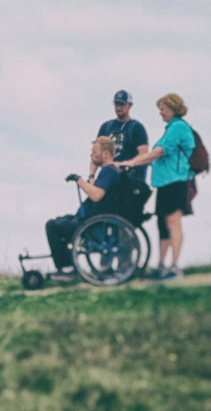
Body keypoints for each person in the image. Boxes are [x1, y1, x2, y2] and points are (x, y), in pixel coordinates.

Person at [116, 94, 195, 280]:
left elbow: (159, 152)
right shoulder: (170, 129)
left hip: (177, 182)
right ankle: (161, 266)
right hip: (164, 183)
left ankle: (174, 268)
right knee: (162, 225)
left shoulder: (178, 127)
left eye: (162, 108)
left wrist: (132, 162)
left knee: (172, 222)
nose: (160, 113)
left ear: (173, 108)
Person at [45, 137, 122, 279]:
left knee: (52, 225)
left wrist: (79, 179)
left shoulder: (109, 171)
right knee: (59, 220)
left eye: (94, 152)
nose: (91, 155)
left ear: (105, 153)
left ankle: (66, 268)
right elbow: (96, 189)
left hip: (91, 224)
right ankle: (68, 265)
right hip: (88, 219)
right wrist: (91, 174)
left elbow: (96, 195)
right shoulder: (107, 171)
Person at [91, 90, 150, 182]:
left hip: (129, 179)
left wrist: (125, 164)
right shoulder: (106, 127)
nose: (119, 108)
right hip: (108, 178)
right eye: (116, 104)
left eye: (122, 105)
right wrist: (91, 176)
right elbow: (95, 153)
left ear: (129, 105)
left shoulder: (136, 127)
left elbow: (144, 153)